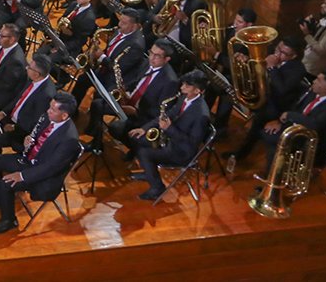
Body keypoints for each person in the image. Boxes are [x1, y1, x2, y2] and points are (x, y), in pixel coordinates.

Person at [0, 92, 81, 234]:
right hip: (30, 160)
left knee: (6, 182)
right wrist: (28, 139)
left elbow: (50, 168)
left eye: (53, 109)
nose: (48, 111)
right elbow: (37, 137)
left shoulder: (69, 139)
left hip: (43, 176)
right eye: (49, 107)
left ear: (64, 116)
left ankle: (9, 220)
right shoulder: (47, 118)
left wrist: (22, 176)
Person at [0, 55, 57, 189]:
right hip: (13, 119)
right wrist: (4, 112)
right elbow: (19, 98)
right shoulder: (33, 80)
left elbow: (35, 122)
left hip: (23, 131)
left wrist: (14, 127)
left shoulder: (46, 94)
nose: (26, 68)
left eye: (30, 67)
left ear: (37, 74)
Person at [225, 35, 308, 167]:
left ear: (293, 56)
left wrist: (272, 68)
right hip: (263, 97)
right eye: (278, 48)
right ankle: (235, 145)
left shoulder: (298, 69)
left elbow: (282, 90)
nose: (277, 53)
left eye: (283, 53)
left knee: (259, 121)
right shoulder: (271, 54)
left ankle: (240, 154)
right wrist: (247, 61)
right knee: (229, 94)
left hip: (278, 107)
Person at [128, 70, 211, 200]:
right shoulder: (184, 97)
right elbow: (169, 114)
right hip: (170, 139)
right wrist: (144, 129)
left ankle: (157, 188)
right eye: (183, 84)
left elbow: (192, 143)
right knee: (137, 138)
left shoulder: (201, 114)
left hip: (181, 152)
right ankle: (149, 173)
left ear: (198, 91)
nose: (182, 88)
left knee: (144, 153)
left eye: (187, 86)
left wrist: (169, 129)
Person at [257, 71, 326, 177]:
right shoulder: (313, 93)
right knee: (266, 132)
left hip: (313, 142)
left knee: (274, 142)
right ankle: (274, 173)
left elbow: (315, 124)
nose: (314, 81)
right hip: (297, 130)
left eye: (318, 80)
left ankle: (273, 175)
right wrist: (280, 122)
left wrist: (290, 115)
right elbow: (297, 109)